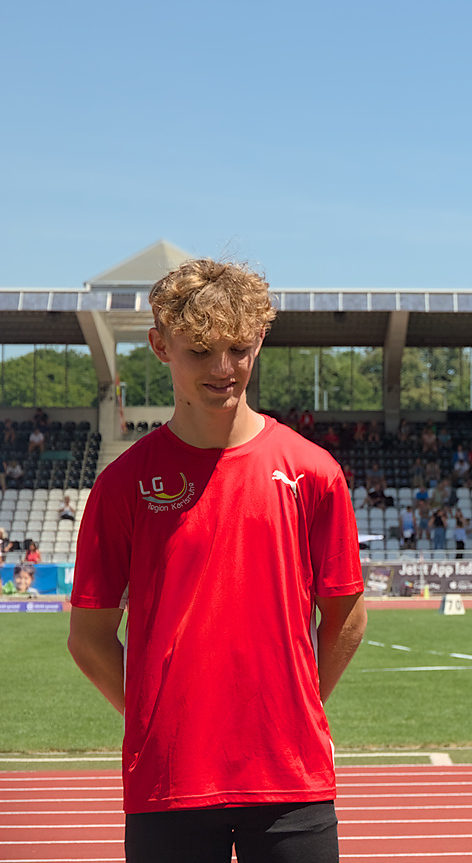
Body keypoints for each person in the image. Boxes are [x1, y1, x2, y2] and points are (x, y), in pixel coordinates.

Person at [67, 258, 364, 862]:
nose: (222, 368)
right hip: (170, 781)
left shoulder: (313, 472)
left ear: (259, 341)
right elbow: (89, 637)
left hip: (290, 779)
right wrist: (158, 716)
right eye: (200, 350)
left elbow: (347, 619)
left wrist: (295, 707)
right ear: (160, 346)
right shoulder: (123, 484)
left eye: (237, 347)